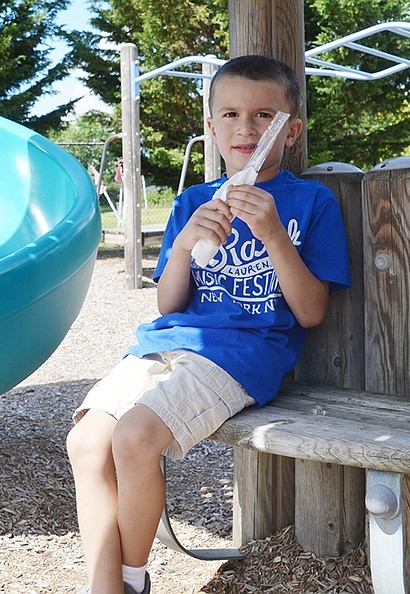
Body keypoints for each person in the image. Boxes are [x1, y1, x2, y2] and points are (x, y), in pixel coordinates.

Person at [66, 54, 351, 594]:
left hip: (242, 355)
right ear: (211, 126)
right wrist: (182, 246)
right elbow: (168, 307)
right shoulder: (193, 201)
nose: (247, 127)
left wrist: (273, 235)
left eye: (265, 115)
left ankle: (123, 583)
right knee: (85, 441)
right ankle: (110, 582)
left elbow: (312, 312)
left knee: (133, 437)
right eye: (231, 114)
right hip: (166, 346)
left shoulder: (311, 201)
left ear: (291, 131)